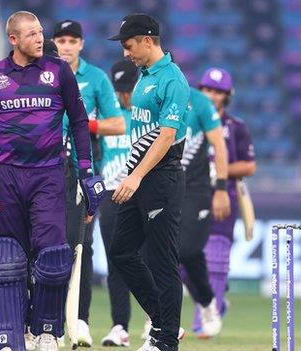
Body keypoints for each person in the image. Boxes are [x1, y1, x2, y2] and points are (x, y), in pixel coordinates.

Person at [0, 11, 103, 351]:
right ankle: (13, 335)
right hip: (7, 178)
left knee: (53, 257)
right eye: (32, 33)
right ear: (13, 39)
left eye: (41, 32)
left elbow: (80, 121)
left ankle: (46, 331)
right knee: (8, 260)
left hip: (50, 175)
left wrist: (86, 171)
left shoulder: (59, 71)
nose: (40, 38)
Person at [107, 13, 190, 351]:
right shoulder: (143, 75)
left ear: (147, 40)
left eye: (129, 46)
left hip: (161, 178)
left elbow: (167, 135)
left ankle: (165, 340)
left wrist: (136, 176)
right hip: (140, 177)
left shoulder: (173, 79)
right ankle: (164, 322)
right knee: (121, 252)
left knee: (162, 261)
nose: (126, 53)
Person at [51, 20, 124, 347]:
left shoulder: (95, 79)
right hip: (42, 170)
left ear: (80, 44)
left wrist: (83, 124)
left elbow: (118, 124)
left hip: (83, 171)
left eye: (72, 41)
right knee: (46, 243)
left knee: (82, 245)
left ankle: (79, 320)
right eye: (61, 40)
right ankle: (46, 318)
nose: (66, 47)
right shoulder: (42, 75)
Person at [186, 67, 256, 334]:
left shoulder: (235, 127)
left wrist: (218, 170)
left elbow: (249, 166)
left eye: (218, 92)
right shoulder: (189, 119)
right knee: (182, 257)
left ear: (228, 96)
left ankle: (204, 321)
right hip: (190, 194)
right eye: (208, 90)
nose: (212, 96)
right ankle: (215, 297)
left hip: (223, 195)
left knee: (215, 257)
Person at [175, 80, 231, 338]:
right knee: (159, 253)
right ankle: (157, 318)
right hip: (162, 186)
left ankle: (207, 303)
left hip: (195, 188)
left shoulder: (199, 102)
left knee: (187, 250)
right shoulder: (148, 96)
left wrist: (220, 187)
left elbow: (219, 145)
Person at [98, 59, 137, 347]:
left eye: (130, 88)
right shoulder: (107, 114)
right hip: (111, 192)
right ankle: (119, 326)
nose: (125, 95)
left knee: (149, 259)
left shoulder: (147, 112)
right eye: (121, 89)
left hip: (142, 193)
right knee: (116, 263)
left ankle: (154, 322)